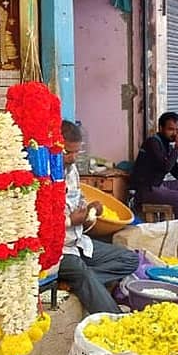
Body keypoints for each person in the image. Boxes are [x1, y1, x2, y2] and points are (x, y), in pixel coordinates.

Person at [60, 121, 139, 314]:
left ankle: (78, 282)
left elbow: (79, 200)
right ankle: (115, 319)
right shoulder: (41, 176)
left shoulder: (72, 171)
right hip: (58, 252)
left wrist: (90, 209)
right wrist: (70, 221)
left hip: (78, 242)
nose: (73, 158)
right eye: (67, 152)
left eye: (76, 152)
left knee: (129, 259)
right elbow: (39, 224)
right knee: (80, 270)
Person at [130, 112, 178, 227]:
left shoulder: (167, 146)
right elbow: (166, 167)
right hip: (146, 190)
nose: (175, 133)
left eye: (177, 130)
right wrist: (177, 147)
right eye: (171, 129)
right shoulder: (152, 142)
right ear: (161, 128)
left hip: (159, 185)